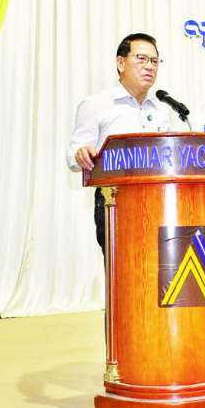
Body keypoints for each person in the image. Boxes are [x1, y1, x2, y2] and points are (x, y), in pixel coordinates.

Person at [68, 33, 176, 251]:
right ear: (120, 63)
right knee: (122, 266)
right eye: (141, 59)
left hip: (159, 201)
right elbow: (73, 155)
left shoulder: (162, 109)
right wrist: (81, 153)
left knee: (159, 265)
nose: (150, 66)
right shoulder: (96, 105)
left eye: (154, 61)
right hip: (114, 201)